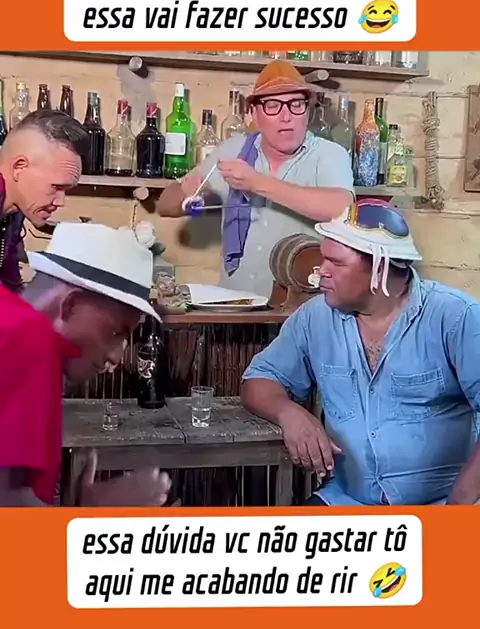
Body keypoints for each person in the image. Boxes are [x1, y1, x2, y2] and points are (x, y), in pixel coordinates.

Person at [241, 199, 480, 506]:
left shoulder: (456, 317)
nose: (322, 272)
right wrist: (288, 413)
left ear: (381, 267)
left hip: (443, 504)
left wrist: (461, 502)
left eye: (336, 263)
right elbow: (258, 380)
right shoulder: (315, 317)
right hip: (347, 499)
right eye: (323, 259)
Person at [0, 221, 172, 507]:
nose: (116, 358)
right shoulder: (29, 340)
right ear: (70, 305)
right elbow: (11, 515)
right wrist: (96, 510)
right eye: (115, 333)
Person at [156, 61, 354, 297]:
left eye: (296, 104)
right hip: (235, 302)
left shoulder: (329, 154)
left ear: (308, 111)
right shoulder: (233, 150)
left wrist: (257, 182)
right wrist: (187, 196)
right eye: (273, 106)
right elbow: (164, 206)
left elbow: (343, 209)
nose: (286, 116)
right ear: (255, 115)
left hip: (302, 306)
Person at [0, 108, 89, 293]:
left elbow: (10, 284)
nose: (60, 201)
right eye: (56, 187)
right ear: (19, 167)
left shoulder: (14, 212)